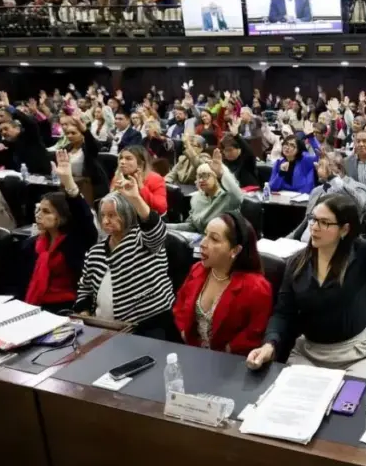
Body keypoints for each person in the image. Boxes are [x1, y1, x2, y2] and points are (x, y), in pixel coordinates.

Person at [245, 158, 366, 381]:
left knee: (349, 409)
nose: (314, 228)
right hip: (309, 353)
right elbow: (283, 312)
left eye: (324, 223)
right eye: (313, 220)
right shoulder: (296, 262)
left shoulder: (360, 252)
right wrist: (270, 344)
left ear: (344, 229)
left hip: (359, 354)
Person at [75, 176, 176, 337]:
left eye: (112, 215)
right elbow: (85, 288)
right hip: (103, 328)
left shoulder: (143, 240)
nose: (106, 221)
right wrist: (84, 313)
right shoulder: (95, 252)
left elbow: (156, 231)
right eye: (103, 216)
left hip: (148, 326)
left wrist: (135, 198)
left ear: (127, 213)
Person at [173, 213, 272, 354]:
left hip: (231, 363)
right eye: (205, 234)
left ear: (235, 250)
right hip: (193, 354)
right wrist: (184, 330)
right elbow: (181, 303)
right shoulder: (198, 270)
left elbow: (254, 333)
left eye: (214, 239)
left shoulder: (256, 287)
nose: (202, 243)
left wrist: (228, 349)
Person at [17, 151, 98, 313]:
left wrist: (68, 181)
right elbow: (20, 283)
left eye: (46, 212)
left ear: (62, 217)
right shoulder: (31, 244)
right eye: (39, 210)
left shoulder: (76, 242)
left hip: (66, 308)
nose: (39, 215)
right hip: (33, 304)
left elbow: (85, 219)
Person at [289, 151, 366, 241]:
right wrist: (286, 241)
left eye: (323, 165)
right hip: (305, 246)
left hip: (339, 246)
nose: (318, 169)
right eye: (319, 165)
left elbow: (360, 206)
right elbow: (306, 223)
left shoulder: (358, 187)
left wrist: (333, 178)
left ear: (338, 168)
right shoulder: (316, 191)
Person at [167, 150, 244, 234]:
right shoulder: (196, 198)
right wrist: (165, 226)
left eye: (205, 175)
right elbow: (192, 226)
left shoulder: (228, 197)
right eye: (199, 176)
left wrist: (221, 173)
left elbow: (238, 196)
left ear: (216, 177)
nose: (201, 180)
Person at [0, 110, 52, 176]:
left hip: (40, 177)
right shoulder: (4, 145)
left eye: (6, 129)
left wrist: (11, 110)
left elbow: (30, 124)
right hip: (18, 180)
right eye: (0, 131)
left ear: (17, 129)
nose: (3, 132)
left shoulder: (30, 136)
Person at [60, 115, 109, 200]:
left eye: (73, 133)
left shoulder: (88, 148)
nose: (69, 136)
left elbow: (93, 145)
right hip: (72, 184)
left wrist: (85, 131)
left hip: (89, 186)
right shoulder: (66, 148)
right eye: (67, 133)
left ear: (82, 134)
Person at [113, 144, 167, 215]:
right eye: (121, 158)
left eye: (128, 158)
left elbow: (161, 208)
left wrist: (141, 187)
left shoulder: (155, 179)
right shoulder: (118, 177)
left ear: (140, 163)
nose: (122, 162)